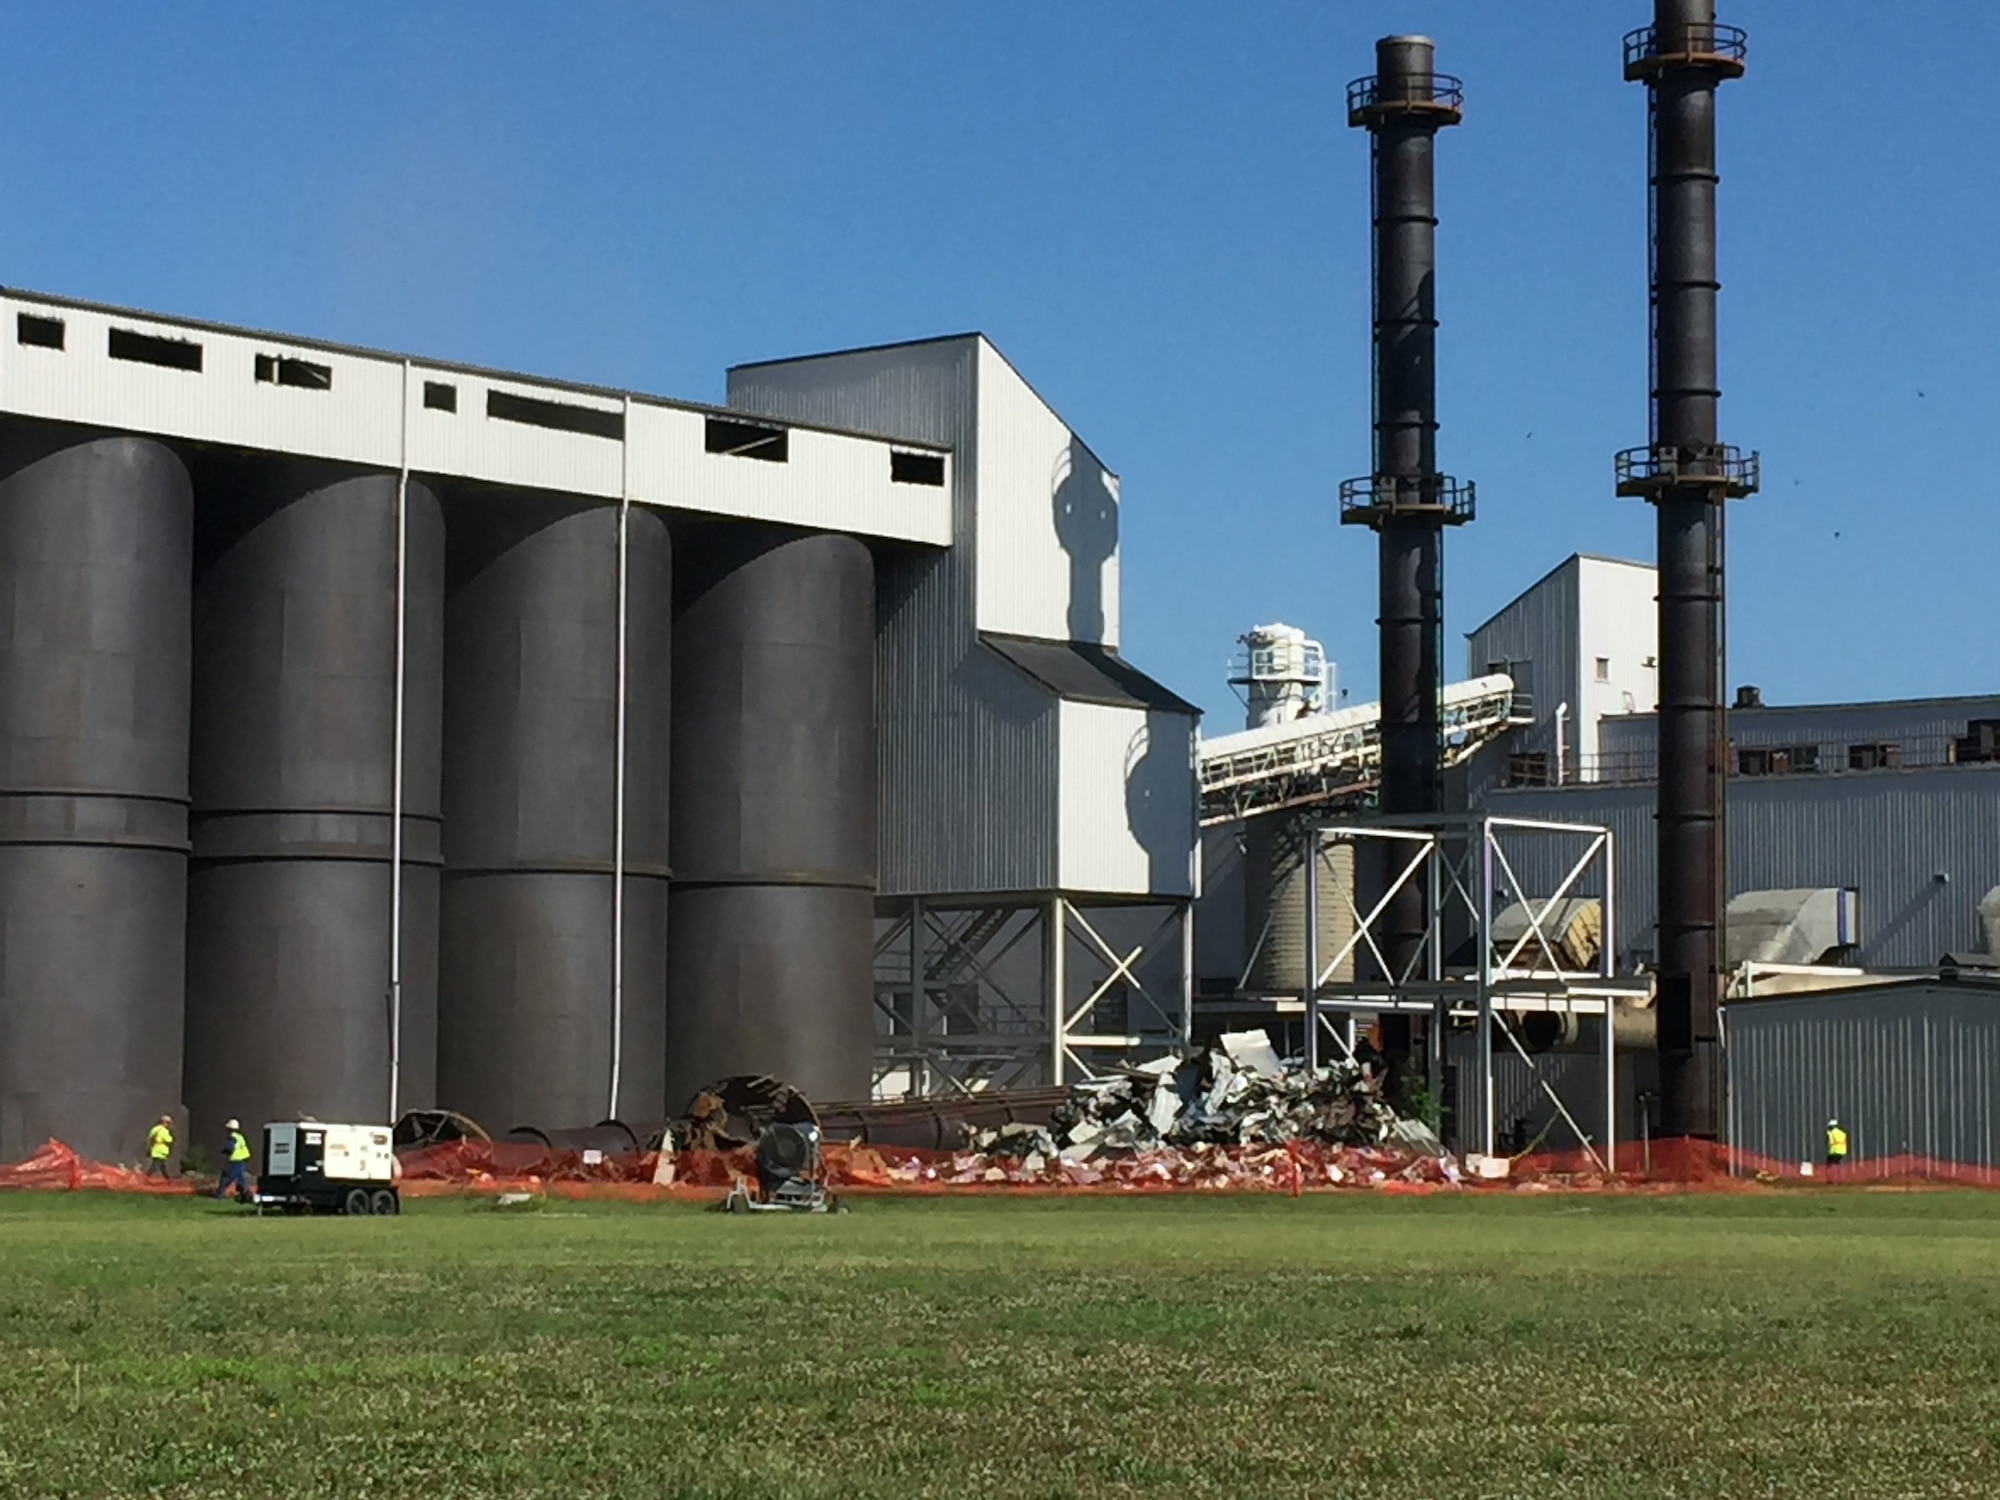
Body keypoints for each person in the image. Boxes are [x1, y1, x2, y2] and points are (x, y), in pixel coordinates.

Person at [213, 1118, 254, 1202]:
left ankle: (219, 1193)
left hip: (235, 1160)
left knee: (226, 1177)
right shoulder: (240, 1136)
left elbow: (230, 1148)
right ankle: (246, 1194)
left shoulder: (232, 1137)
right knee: (240, 1178)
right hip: (242, 1160)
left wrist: (225, 1151)